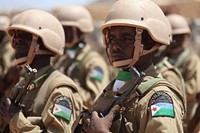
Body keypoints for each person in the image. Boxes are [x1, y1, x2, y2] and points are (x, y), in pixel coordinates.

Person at [77, 0, 185, 132]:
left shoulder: (158, 97)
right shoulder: (116, 87)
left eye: (126, 39)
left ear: (149, 42)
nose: (115, 46)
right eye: (111, 38)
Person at [0, 9, 83, 133]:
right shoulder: (22, 85)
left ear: (45, 41)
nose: (17, 40)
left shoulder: (60, 89)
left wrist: (15, 119)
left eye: (24, 35)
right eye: (16, 35)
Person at [52, 5, 110, 108]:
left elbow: (95, 100)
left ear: (77, 30)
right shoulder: (62, 57)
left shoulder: (93, 62)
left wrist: (68, 84)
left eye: (65, 29)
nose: (61, 33)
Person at [166, 14, 200, 125]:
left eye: (180, 36)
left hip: (186, 113)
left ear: (186, 36)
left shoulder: (191, 59)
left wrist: (171, 91)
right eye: (173, 36)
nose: (175, 40)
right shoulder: (161, 57)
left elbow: (194, 87)